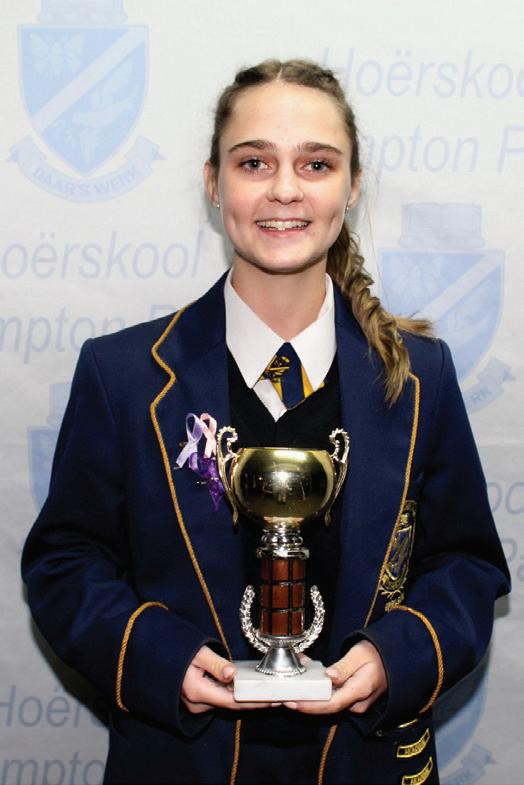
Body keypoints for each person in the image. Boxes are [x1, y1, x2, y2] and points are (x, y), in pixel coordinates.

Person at [22, 59, 510, 785]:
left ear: (352, 185)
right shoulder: (122, 374)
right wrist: (160, 657)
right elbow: (65, 563)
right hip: (181, 762)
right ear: (213, 183)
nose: (285, 189)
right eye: (254, 162)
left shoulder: (420, 376)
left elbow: (467, 566)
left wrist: (394, 656)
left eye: (317, 163)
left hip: (366, 762)